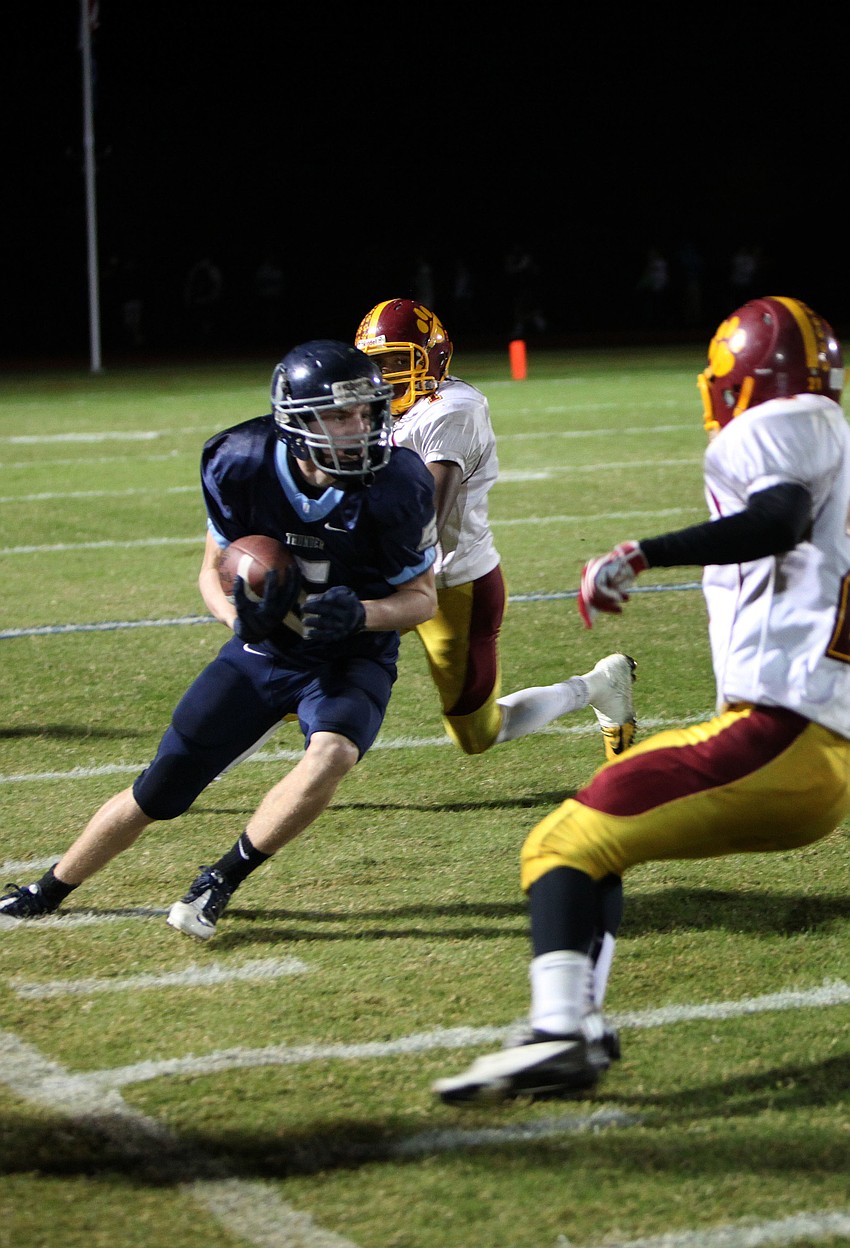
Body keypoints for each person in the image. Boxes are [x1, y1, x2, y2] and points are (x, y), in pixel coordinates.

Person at [433, 295, 850, 1105]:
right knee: (599, 829)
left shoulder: (781, 424)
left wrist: (642, 553)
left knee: (556, 846)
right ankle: (573, 1025)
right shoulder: (838, 441)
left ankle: (559, 1034)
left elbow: (778, 517)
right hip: (818, 749)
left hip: (778, 737)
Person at [0, 341, 438, 940]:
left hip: (348, 652)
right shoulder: (242, 460)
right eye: (340, 415)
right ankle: (49, 887)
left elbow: (423, 599)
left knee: (332, 752)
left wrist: (362, 614)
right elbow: (214, 571)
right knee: (162, 785)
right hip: (264, 650)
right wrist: (240, 622)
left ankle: (220, 879)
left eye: (366, 413)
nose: (359, 428)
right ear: (296, 421)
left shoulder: (397, 483)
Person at [354, 297, 636, 763]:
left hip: (452, 584)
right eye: (375, 365)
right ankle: (200, 758)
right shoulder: (372, 411)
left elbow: (426, 517)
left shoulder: (450, 410)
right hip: (392, 572)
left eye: (397, 361)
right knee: (299, 661)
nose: (385, 377)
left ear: (432, 359)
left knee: (476, 734)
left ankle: (598, 686)